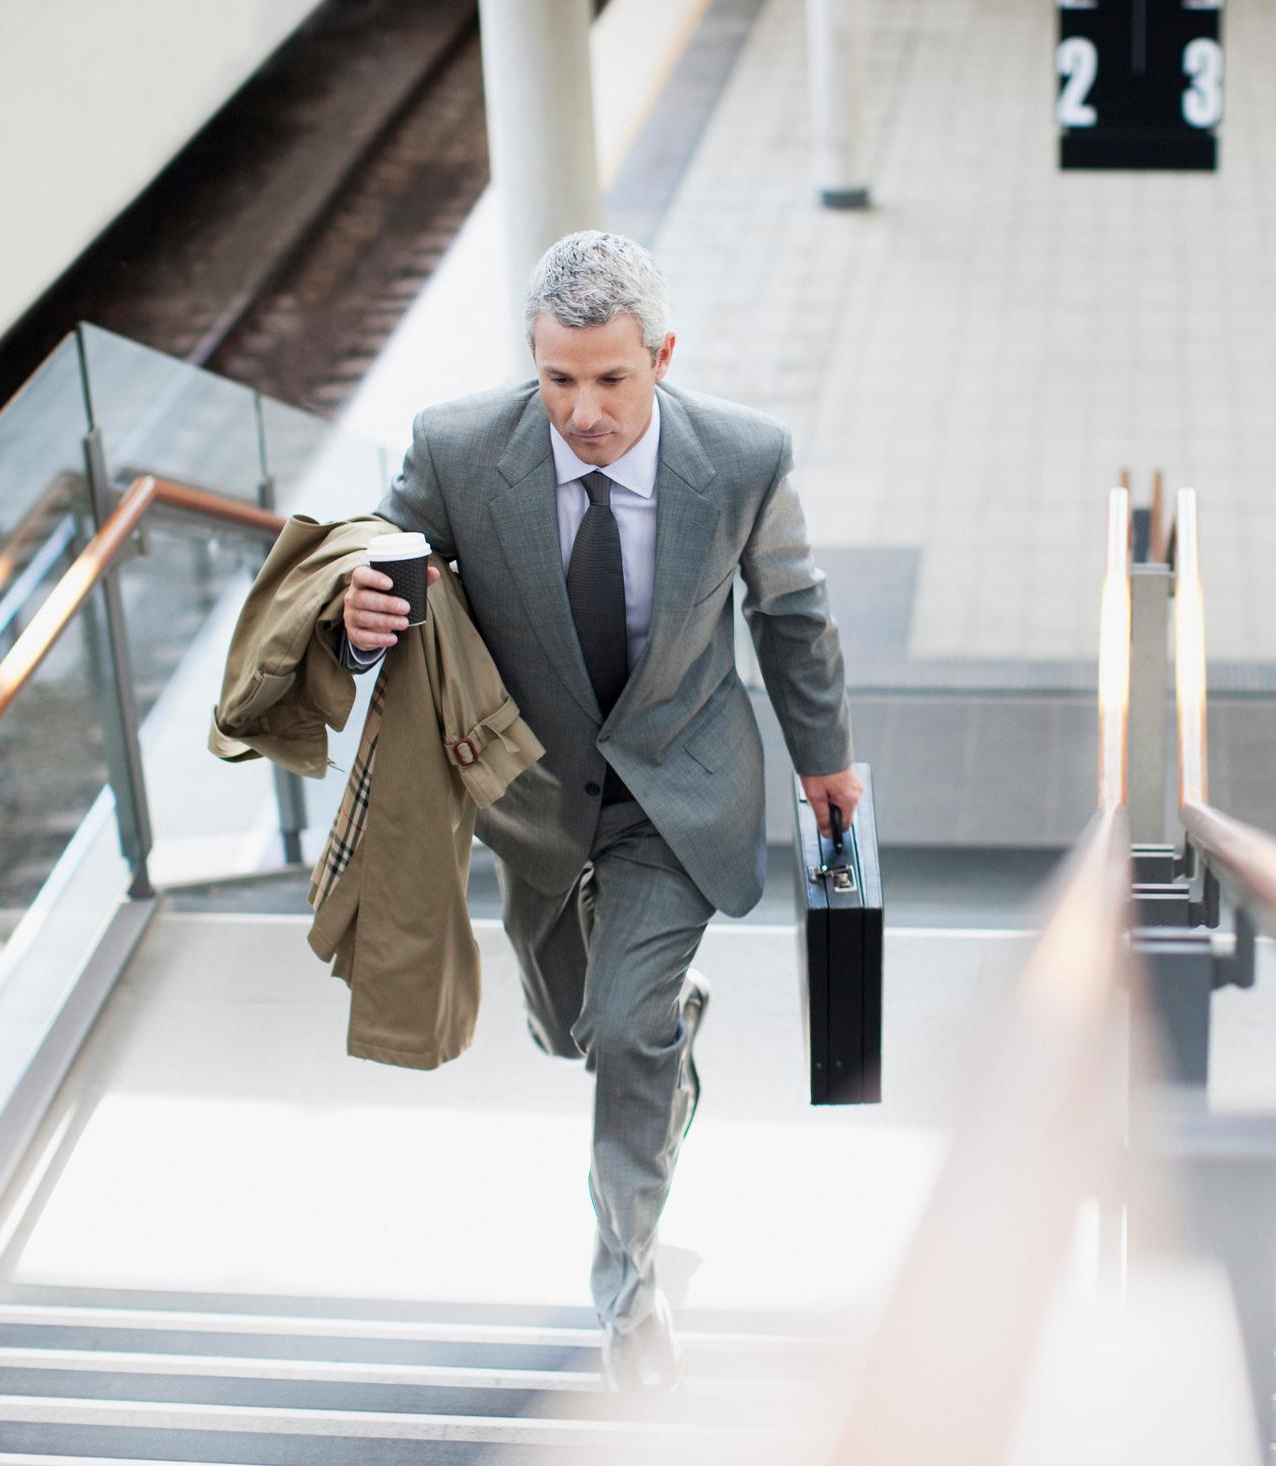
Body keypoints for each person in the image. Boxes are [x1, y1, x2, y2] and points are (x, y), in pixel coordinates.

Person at [339, 231, 858, 1391]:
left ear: (661, 355)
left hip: (677, 794)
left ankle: (626, 1282)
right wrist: (355, 613)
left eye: (611, 379)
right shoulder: (461, 449)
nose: (583, 410)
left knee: (625, 1031)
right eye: (559, 378)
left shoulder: (743, 459)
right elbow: (378, 556)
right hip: (533, 806)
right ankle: (662, 1021)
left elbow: (792, 613)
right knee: (572, 1026)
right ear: (532, 360)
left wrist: (827, 759)